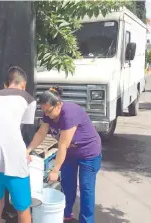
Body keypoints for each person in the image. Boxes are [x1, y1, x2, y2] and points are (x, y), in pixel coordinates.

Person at [27, 86, 102, 223]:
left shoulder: (69, 113)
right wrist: (28, 150)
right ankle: (66, 214)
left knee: (86, 188)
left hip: (88, 154)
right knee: (67, 185)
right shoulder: (48, 113)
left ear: (59, 104)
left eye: (49, 111)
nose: (47, 114)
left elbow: (63, 144)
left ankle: (87, 221)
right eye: (43, 111)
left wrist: (55, 170)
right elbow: (41, 133)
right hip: (70, 154)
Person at [0, 66, 36, 223]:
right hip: (14, 155)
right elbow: (21, 130)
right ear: (23, 85)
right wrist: (26, 152)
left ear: (6, 84)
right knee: (22, 207)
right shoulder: (28, 98)